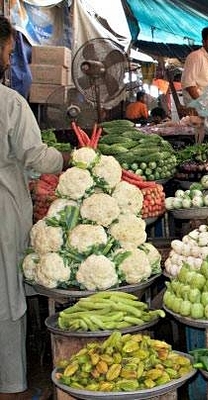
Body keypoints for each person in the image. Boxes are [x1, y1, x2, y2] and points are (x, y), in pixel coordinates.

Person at [0, 16, 69, 399]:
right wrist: (69, 158)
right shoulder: (9, 102)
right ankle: (10, 389)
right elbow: (36, 156)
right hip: (3, 211)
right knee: (6, 304)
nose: (10, 61)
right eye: (9, 52)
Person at [181, 26, 208, 105]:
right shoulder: (196, 56)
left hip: (205, 105)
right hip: (196, 107)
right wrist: (202, 106)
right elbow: (189, 85)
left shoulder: (207, 58)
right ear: (203, 42)